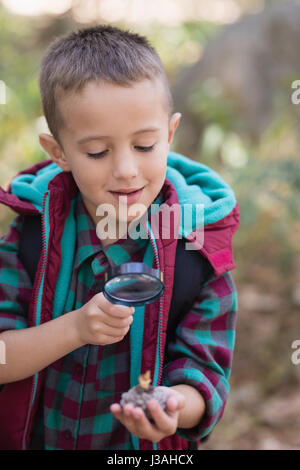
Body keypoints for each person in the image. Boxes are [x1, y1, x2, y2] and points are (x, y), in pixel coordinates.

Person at [0, 25, 239, 450]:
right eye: (97, 152)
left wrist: (170, 407)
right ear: (58, 153)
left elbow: (206, 379)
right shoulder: (31, 239)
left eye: (145, 145)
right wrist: (74, 328)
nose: (126, 169)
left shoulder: (197, 254)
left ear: (169, 133)